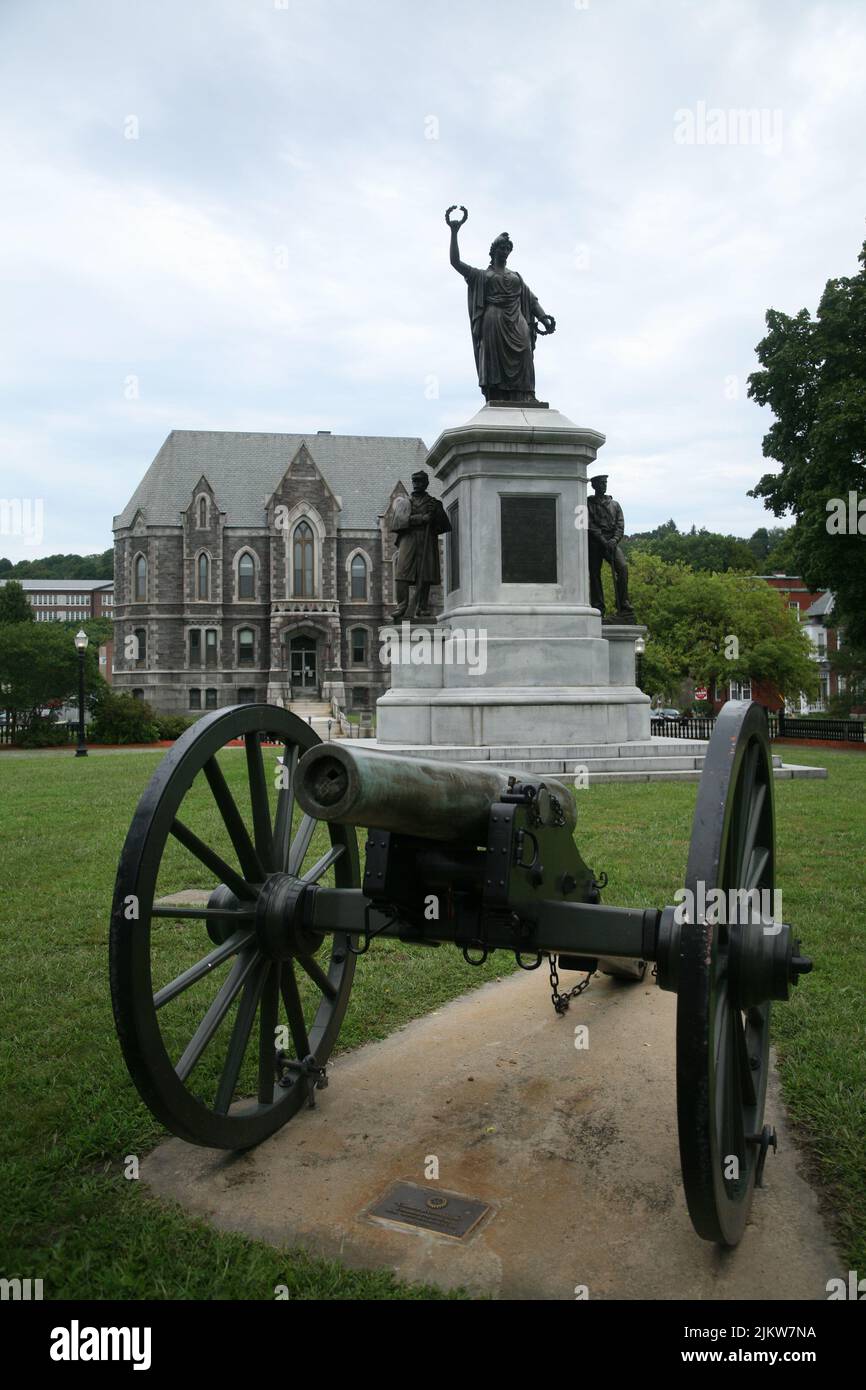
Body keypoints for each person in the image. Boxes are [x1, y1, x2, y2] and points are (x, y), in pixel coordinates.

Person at [446, 206, 556, 403]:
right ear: (493, 250)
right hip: (493, 322)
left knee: (525, 351)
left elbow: (530, 300)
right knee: (494, 361)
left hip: (516, 320)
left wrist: (543, 317)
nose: (505, 251)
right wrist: (454, 233)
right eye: (501, 248)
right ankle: (497, 394)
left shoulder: (516, 277)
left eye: (507, 248)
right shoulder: (482, 275)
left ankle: (527, 395)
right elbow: (455, 262)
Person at [390, 470, 451, 620]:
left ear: (426, 483)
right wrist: (421, 518)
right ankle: (402, 606)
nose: (417, 484)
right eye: (415, 481)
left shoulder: (434, 504)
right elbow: (397, 523)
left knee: (426, 574)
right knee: (402, 573)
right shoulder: (405, 503)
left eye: (420, 481)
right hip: (408, 539)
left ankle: (422, 607)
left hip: (427, 540)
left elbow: (444, 526)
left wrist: (434, 517)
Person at [587, 474, 634, 622]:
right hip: (595, 543)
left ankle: (623, 604)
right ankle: (598, 607)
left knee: (623, 568)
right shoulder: (586, 504)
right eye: (601, 483)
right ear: (594, 486)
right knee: (594, 575)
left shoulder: (615, 504)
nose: (604, 485)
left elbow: (620, 525)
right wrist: (602, 540)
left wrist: (614, 540)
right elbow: (588, 525)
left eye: (605, 483)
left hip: (611, 542)